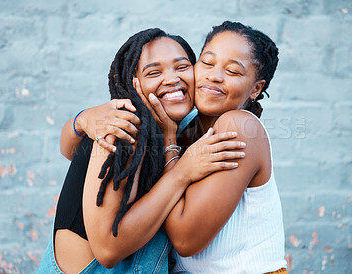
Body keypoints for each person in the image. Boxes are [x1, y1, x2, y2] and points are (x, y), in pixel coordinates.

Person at [60, 21, 287, 273]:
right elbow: (74, 152)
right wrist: (81, 119)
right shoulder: (178, 127)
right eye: (207, 63)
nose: (214, 75)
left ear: (256, 88)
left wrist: (171, 145)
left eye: (233, 71)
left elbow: (185, 240)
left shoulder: (239, 127)